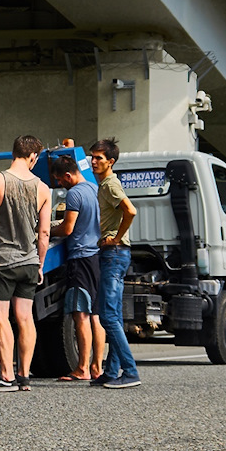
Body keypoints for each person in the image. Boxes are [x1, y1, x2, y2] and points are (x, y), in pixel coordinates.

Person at [0, 134, 50, 391]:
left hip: (1, 262)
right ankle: (24, 376)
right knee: (25, 318)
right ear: (33, 156)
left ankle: (7, 376)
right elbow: (45, 233)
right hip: (28, 262)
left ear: (13, 152)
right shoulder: (43, 188)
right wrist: (40, 264)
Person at [88, 139, 140, 388]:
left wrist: (116, 238)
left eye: (99, 158)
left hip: (114, 253)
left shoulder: (109, 185)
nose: (94, 161)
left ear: (111, 162)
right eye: (92, 157)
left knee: (107, 317)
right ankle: (111, 372)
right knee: (114, 315)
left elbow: (131, 211)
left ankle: (130, 372)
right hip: (117, 253)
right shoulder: (104, 185)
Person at [49, 151, 104, 381]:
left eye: (60, 180)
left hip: (80, 259)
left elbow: (67, 228)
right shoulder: (93, 188)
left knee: (80, 314)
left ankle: (81, 368)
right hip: (96, 257)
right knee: (95, 315)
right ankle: (96, 367)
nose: (60, 184)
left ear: (69, 175)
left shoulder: (74, 194)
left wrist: (45, 230)